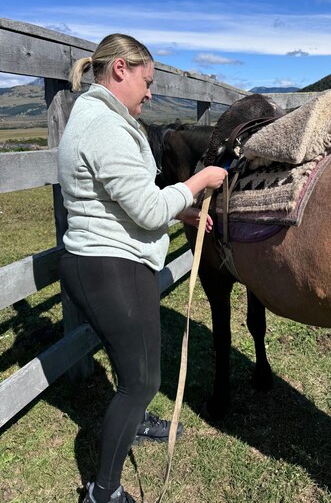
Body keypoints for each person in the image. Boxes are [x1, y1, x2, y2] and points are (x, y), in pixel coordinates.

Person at [57, 33, 227, 503]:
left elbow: (126, 201)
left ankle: (133, 421)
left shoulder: (100, 118)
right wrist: (197, 183)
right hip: (107, 265)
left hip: (115, 260)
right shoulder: (103, 127)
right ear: (120, 71)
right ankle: (102, 491)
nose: (150, 92)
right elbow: (149, 210)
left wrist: (180, 212)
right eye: (147, 81)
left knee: (138, 368)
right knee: (142, 380)